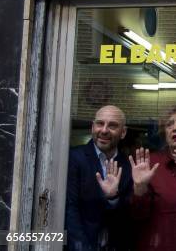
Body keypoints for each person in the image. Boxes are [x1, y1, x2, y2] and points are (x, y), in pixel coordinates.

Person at [129, 105, 176, 251]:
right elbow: (137, 216)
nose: (175, 128)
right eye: (169, 124)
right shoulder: (151, 164)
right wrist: (139, 188)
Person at [66, 105, 133, 251]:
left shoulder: (128, 166)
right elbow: (70, 209)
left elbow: (127, 219)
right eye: (100, 123)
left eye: (112, 125)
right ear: (92, 127)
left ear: (123, 132)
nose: (104, 130)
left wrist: (112, 197)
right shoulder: (75, 158)